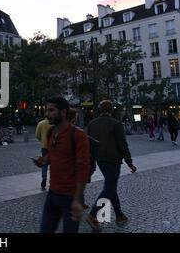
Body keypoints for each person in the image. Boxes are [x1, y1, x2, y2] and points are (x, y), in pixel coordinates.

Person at [33, 97, 90, 234]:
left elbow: (83, 168)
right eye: (46, 110)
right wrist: (44, 160)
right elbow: (53, 155)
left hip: (70, 197)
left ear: (63, 112)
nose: (47, 114)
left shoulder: (78, 135)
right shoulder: (51, 132)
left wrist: (77, 199)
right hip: (52, 194)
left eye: (51, 110)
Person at [85, 100, 137, 233]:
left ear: (99, 110)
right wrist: (129, 162)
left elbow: (88, 144)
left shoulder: (92, 124)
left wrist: (91, 161)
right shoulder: (116, 124)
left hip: (100, 160)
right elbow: (122, 144)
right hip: (113, 160)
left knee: (110, 186)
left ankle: (119, 215)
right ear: (111, 110)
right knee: (109, 188)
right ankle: (93, 214)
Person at [35, 116, 51, 190]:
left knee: (44, 163)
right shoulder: (53, 123)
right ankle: (52, 179)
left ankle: (44, 178)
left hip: (44, 146)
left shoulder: (41, 123)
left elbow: (37, 135)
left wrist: (41, 140)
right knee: (54, 163)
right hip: (53, 146)